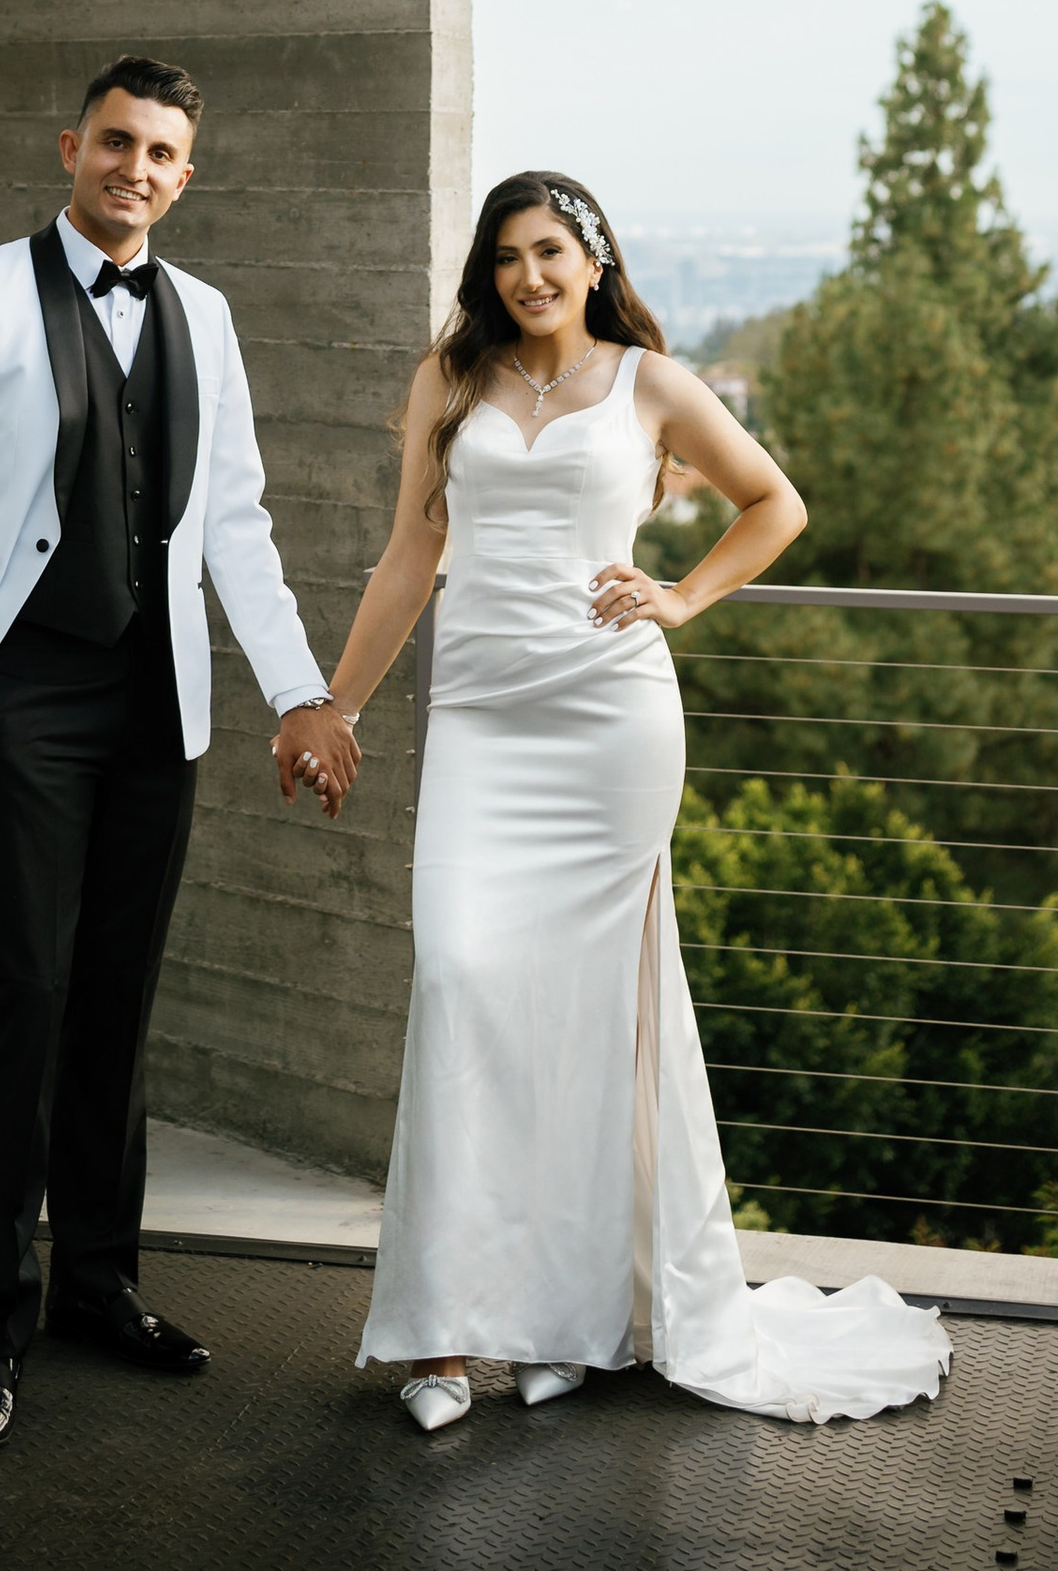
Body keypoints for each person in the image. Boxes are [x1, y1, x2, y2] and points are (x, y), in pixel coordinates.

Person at [323, 170, 952, 1433]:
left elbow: (776, 503)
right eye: (506, 256)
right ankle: (439, 1338)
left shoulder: (651, 385)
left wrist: (680, 597)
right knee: (457, 981)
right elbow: (410, 556)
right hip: (482, 727)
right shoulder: (447, 380)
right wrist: (336, 709)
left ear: (595, 260)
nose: (527, 276)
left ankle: (566, 1320)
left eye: (550, 251)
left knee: (585, 1025)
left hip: (610, 724)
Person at [0, 53, 361, 1456]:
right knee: (24, 1001)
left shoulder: (205, 313)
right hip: (24, 700)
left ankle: (99, 1286)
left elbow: (238, 526)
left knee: (115, 1007)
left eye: (161, 154)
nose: (134, 168)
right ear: (70, 147)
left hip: (160, 710)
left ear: (184, 177)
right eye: (115, 142)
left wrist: (299, 694)